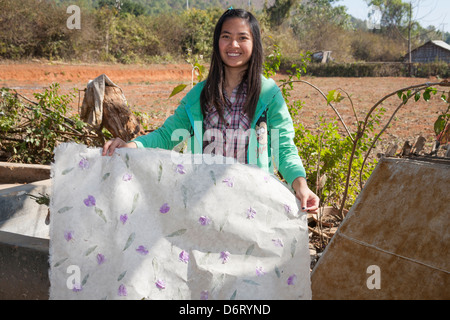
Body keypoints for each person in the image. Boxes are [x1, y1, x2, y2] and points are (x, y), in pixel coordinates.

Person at [102, 8, 319, 213]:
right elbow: (167, 136)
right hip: (205, 199)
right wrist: (130, 145)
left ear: (254, 44)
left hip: (253, 200)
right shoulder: (199, 95)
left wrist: (300, 185)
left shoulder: (268, 95)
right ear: (217, 43)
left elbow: (283, 147)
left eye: (243, 37)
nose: (233, 44)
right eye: (226, 36)